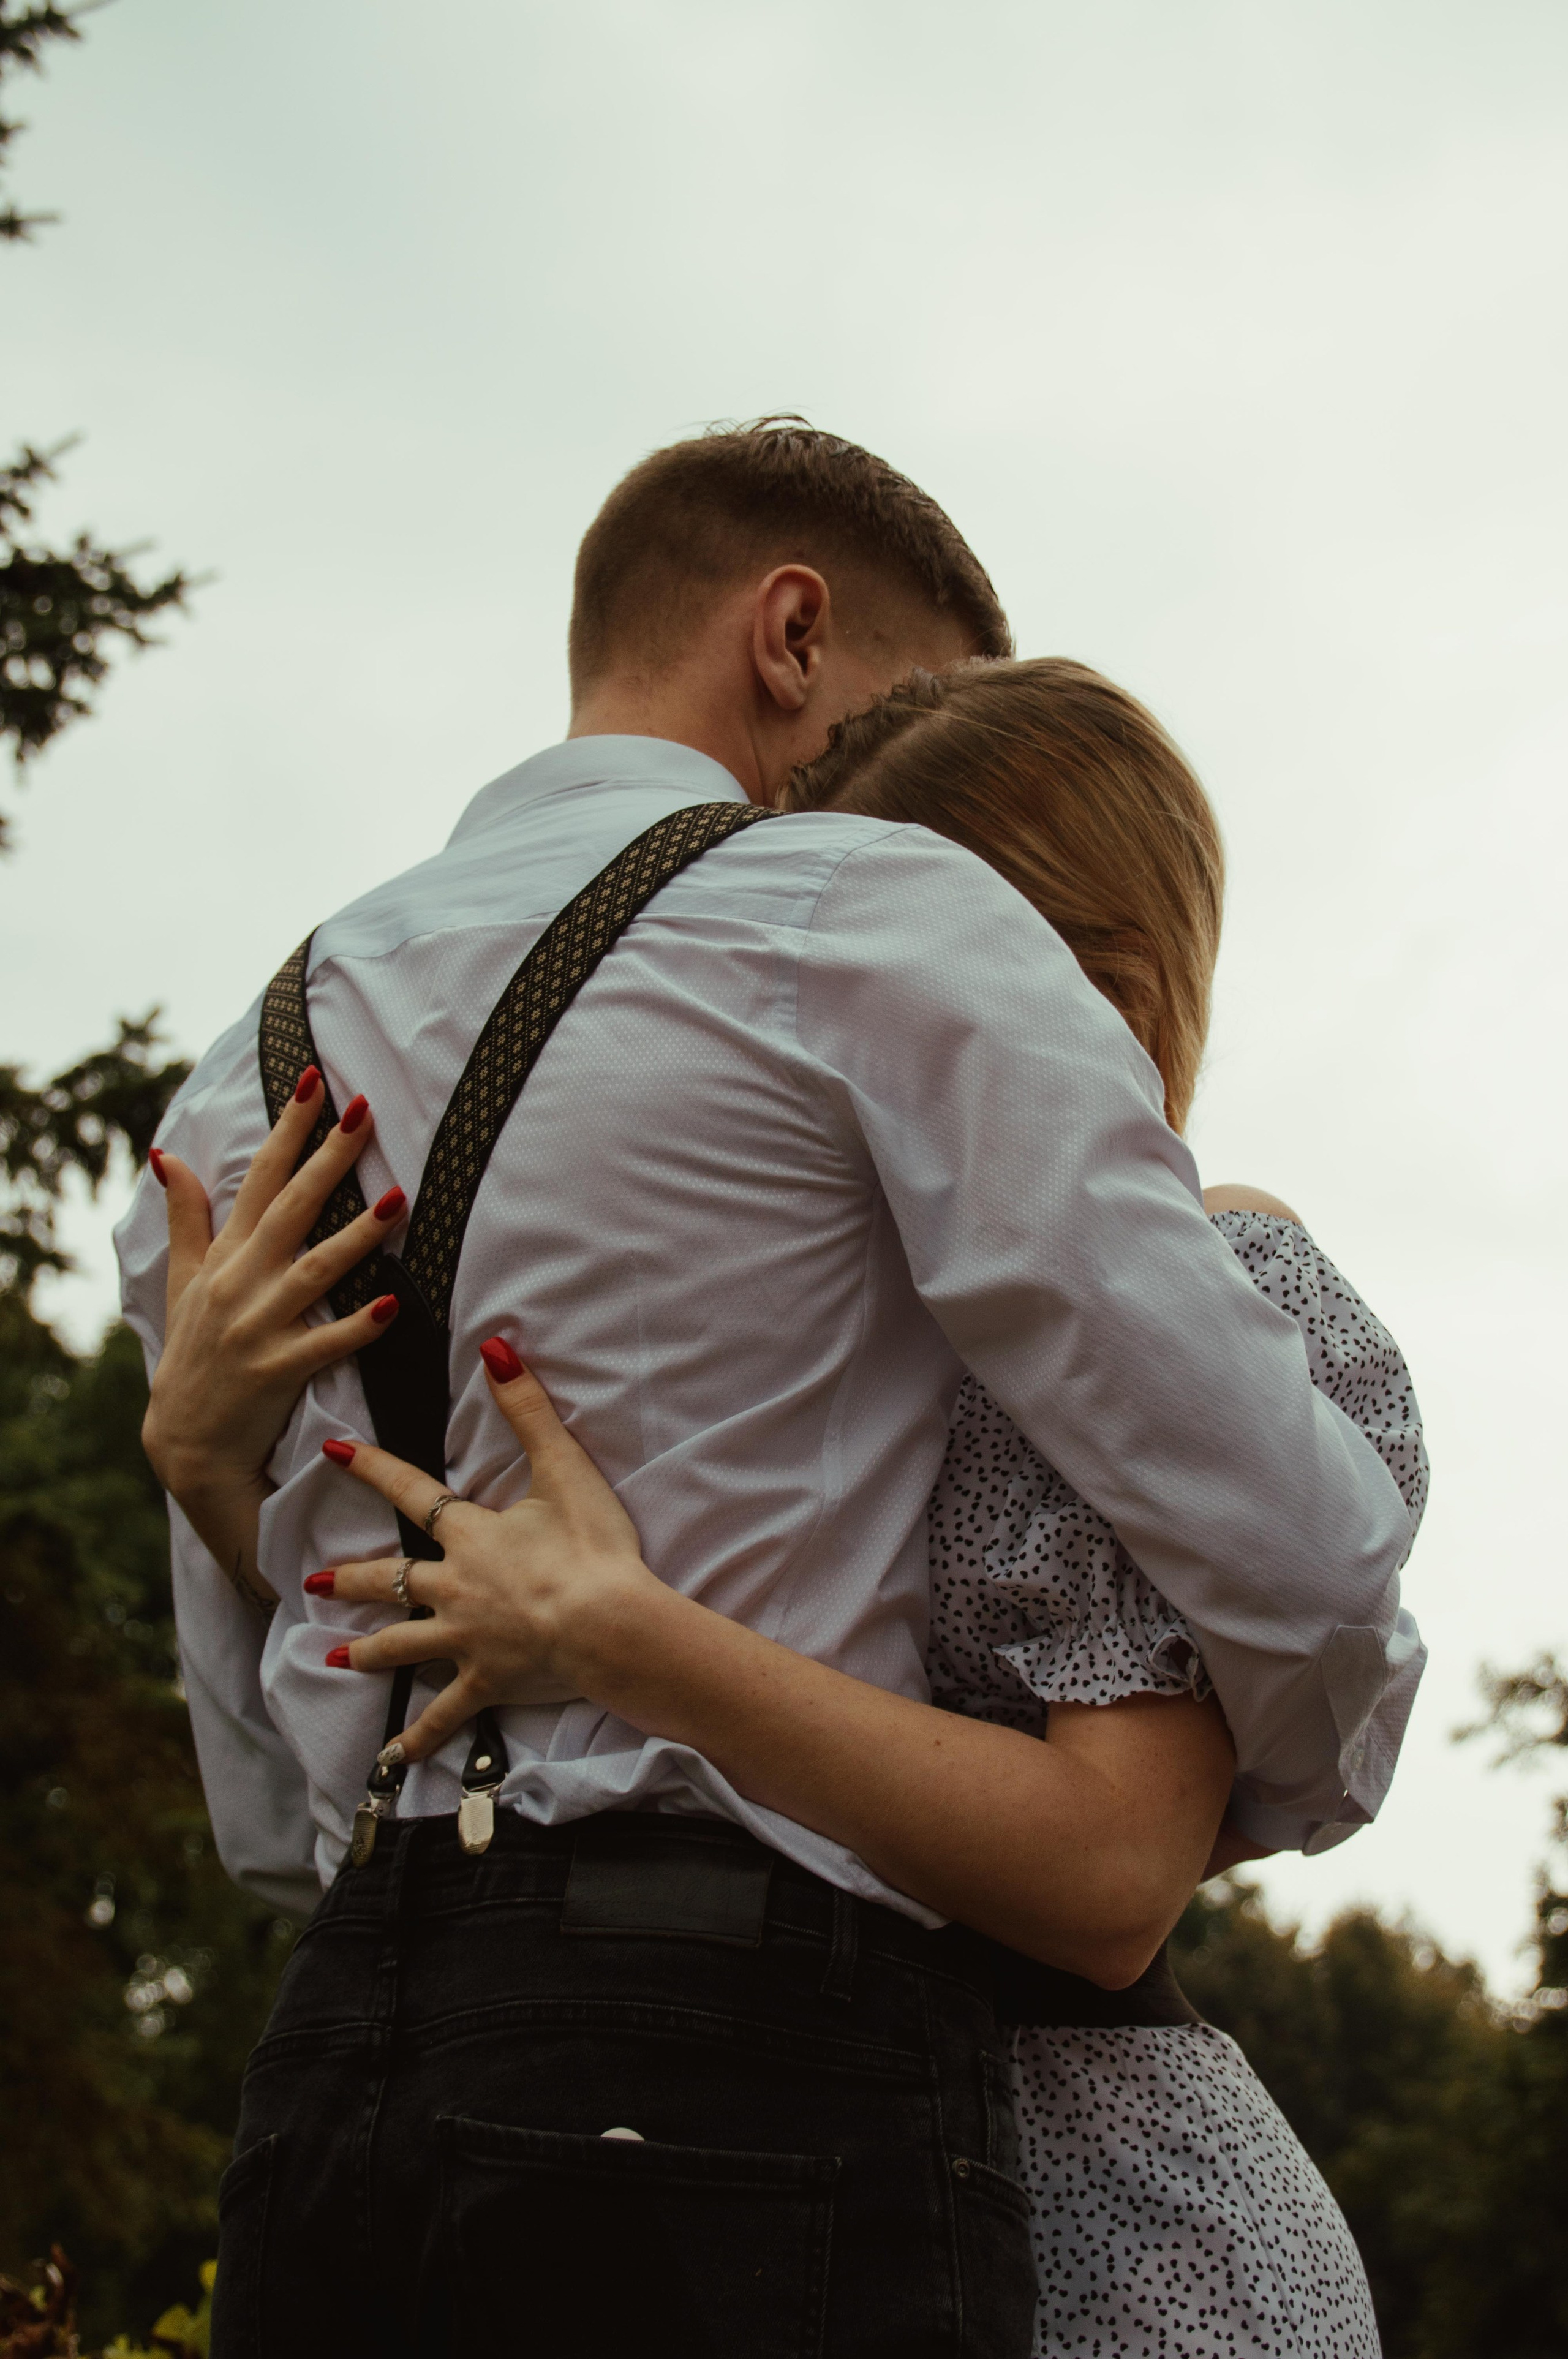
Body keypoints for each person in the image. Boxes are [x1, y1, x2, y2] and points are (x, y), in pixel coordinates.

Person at [118, 423, 1419, 2357]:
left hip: (345, 2074)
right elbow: (1311, 1554)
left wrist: (211, 1478)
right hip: (744, 2071)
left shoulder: (231, 1092)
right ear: (792, 634)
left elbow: (271, 1811)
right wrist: (1295, 1756)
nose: (891, 799)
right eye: (911, 715)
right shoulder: (857, 918)